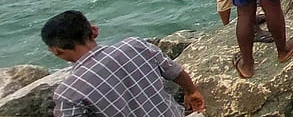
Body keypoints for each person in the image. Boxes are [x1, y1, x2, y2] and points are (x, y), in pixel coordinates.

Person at [41, 10, 205, 116]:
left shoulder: (68, 92)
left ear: (56, 50)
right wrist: (191, 91)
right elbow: (175, 71)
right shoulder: (135, 45)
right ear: (94, 31)